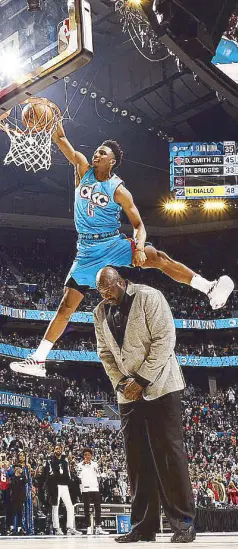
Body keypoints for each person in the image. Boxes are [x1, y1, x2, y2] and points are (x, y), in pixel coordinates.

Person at [8, 116, 234, 377]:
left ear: (112, 161)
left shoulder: (119, 190)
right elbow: (60, 139)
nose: (96, 154)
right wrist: (52, 115)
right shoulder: (82, 168)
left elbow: (139, 225)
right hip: (87, 250)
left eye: (102, 153)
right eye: (96, 151)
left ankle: (209, 288)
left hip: (112, 242)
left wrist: (138, 247)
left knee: (157, 256)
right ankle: (38, 360)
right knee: (66, 306)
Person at [94, 266, 196, 543]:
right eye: (101, 293)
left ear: (122, 282)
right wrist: (121, 383)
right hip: (128, 394)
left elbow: (165, 341)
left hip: (161, 386)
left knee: (169, 456)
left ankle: (183, 524)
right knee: (137, 462)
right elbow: (104, 353)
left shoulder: (150, 297)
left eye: (110, 290)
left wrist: (141, 379)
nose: (106, 297)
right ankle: (143, 526)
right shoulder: (100, 311)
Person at [42, 443, 81, 536]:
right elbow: (48, 475)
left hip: (64, 486)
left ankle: (70, 527)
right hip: (55, 486)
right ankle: (57, 528)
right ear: (54, 450)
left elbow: (68, 474)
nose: (57, 450)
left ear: (62, 450)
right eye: (56, 448)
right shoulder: (50, 461)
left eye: (59, 448)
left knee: (70, 506)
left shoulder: (65, 461)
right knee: (55, 506)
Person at [76, 448, 109, 535]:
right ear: (83, 456)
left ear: (91, 456)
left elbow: (98, 475)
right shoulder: (79, 465)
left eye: (89, 455)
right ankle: (88, 527)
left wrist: (96, 485)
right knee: (86, 509)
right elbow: (78, 476)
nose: (87, 456)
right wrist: (84, 466)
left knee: (98, 508)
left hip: (95, 488)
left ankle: (98, 527)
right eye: (85, 454)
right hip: (85, 489)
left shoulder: (95, 464)